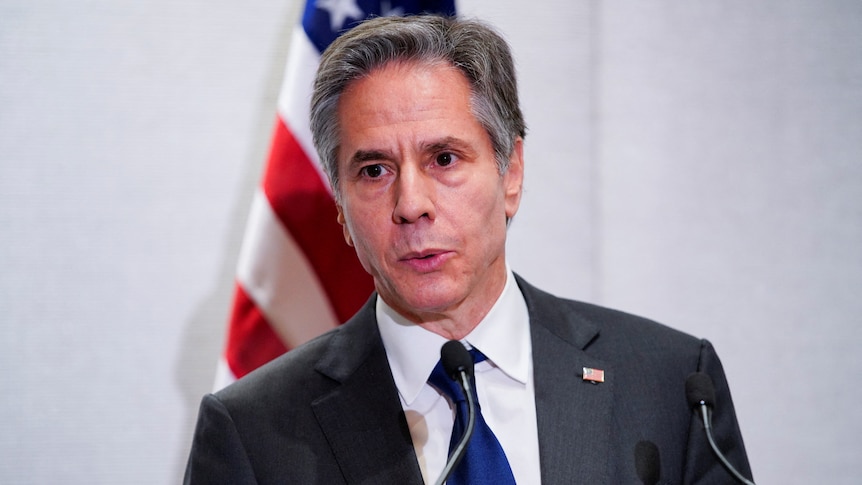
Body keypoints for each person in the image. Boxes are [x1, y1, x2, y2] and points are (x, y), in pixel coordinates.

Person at [185, 15, 752, 484]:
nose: (411, 204)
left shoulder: (670, 384)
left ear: (512, 173)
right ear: (339, 206)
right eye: (375, 170)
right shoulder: (251, 434)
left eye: (445, 159)